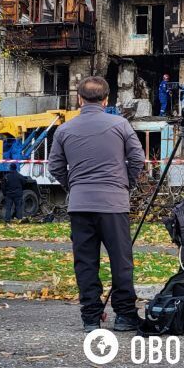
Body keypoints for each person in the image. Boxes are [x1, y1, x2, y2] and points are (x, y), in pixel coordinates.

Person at [48, 76, 147, 332]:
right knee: (121, 261)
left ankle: (91, 317)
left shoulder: (64, 129)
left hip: (80, 205)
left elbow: (55, 166)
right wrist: (126, 184)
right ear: (106, 100)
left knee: (86, 262)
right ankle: (125, 315)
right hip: (114, 204)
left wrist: (74, 186)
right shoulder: (120, 125)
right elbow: (137, 158)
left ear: (79, 99)